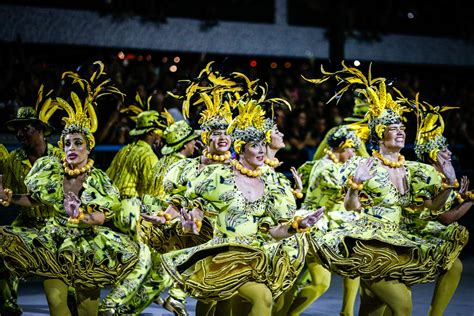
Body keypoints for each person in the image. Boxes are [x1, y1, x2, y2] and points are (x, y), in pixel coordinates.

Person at [309, 63, 460, 315]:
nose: (401, 132)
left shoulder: (413, 169)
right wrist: (356, 185)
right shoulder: (364, 164)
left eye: (402, 128)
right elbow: (350, 206)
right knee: (403, 306)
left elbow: (434, 207)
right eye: (394, 129)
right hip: (372, 244)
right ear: (380, 133)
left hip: (400, 241)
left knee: (374, 309)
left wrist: (449, 184)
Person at [0, 61, 143, 316]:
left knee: (88, 310)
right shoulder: (51, 171)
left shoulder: (97, 178)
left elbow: (102, 216)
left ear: (88, 147)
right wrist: (10, 197)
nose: (71, 148)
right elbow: (35, 201)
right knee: (56, 304)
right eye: (67, 143)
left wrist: (81, 216)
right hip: (53, 242)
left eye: (78, 143)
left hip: (88, 247)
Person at [160, 99, 323, 316]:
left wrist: (297, 225)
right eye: (254, 146)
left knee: (232, 307)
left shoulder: (268, 185)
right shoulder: (220, 178)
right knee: (254, 299)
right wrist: (189, 225)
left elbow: (273, 231)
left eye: (262, 145)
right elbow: (194, 219)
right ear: (241, 149)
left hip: (255, 257)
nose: (261, 151)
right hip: (225, 255)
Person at [283, 124, 368, 316]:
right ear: (341, 148)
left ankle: (347, 312)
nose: (355, 153)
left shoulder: (336, 165)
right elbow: (349, 191)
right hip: (316, 227)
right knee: (321, 281)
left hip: (334, 225)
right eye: (352, 149)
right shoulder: (326, 168)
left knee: (349, 268)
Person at [397, 99, 471, 316]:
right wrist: (467, 201)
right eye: (444, 150)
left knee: (454, 266)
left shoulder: (440, 176)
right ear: (432, 155)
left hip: (425, 233)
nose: (450, 153)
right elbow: (445, 217)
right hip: (411, 235)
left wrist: (460, 197)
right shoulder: (424, 173)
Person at [0, 89, 62, 315]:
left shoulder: (60, 158)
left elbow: (42, 198)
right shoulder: (13, 159)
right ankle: (7, 304)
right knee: (4, 247)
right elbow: (4, 192)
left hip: (57, 223)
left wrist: (11, 198)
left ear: (42, 131)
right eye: (17, 129)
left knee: (65, 274)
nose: (19, 133)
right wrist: (4, 196)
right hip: (26, 220)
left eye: (25, 128)